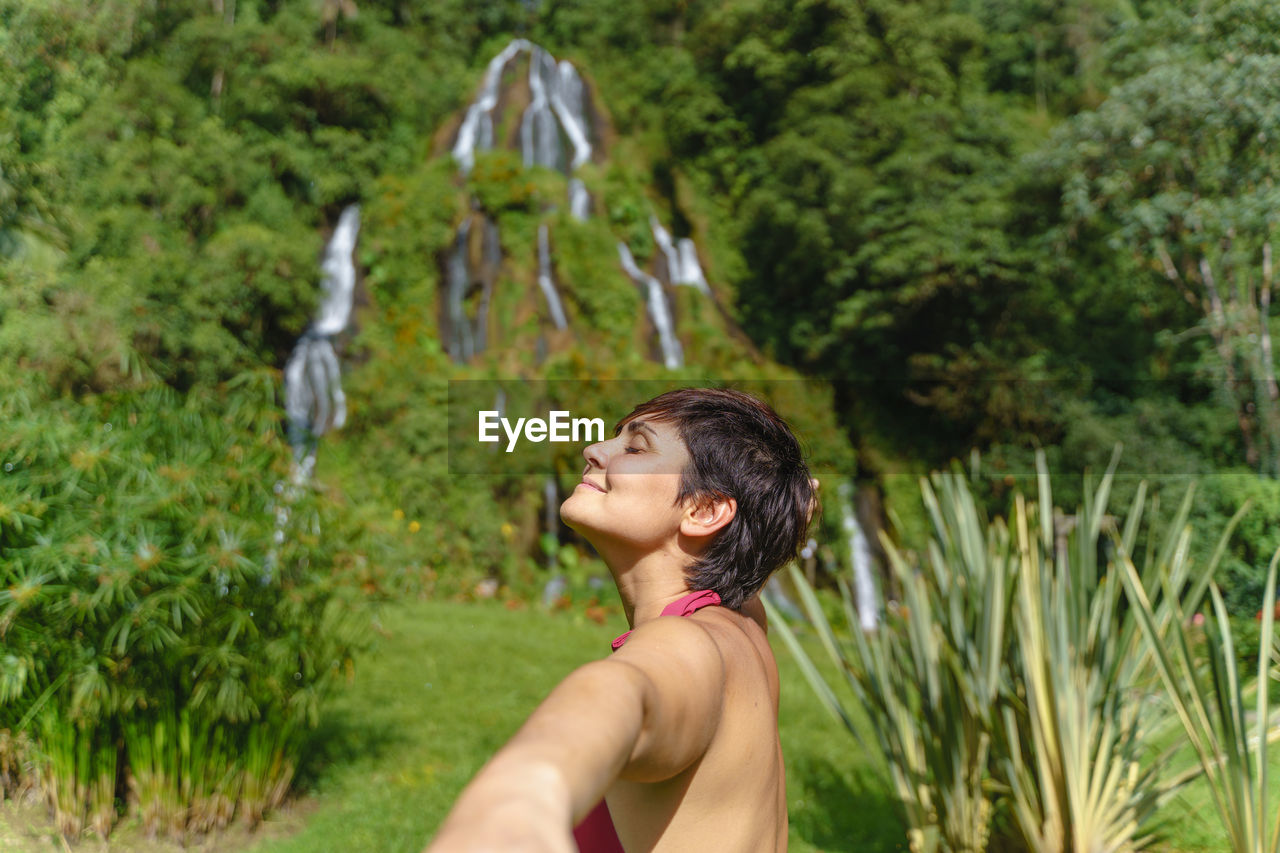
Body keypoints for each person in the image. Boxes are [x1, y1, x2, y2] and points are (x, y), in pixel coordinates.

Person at [427, 388, 817, 852]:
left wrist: (524, 794)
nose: (593, 450)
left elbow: (625, 697)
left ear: (705, 510)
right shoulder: (741, 620)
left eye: (635, 447)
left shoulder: (689, 645)